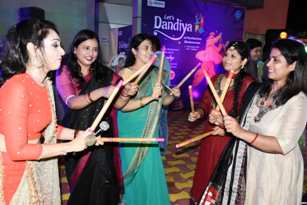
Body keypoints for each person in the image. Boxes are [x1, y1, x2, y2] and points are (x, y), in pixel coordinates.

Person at [0, 19, 91, 204]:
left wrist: (78, 134)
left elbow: (48, 128)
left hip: (35, 166)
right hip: (13, 174)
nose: (63, 52)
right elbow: (16, 151)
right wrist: (71, 146)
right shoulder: (17, 87)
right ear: (33, 49)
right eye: (55, 45)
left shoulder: (44, 85)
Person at [56, 29, 138, 205]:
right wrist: (101, 92)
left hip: (102, 133)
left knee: (104, 178)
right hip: (76, 133)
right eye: (86, 48)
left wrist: (126, 94)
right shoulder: (65, 71)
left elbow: (118, 105)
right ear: (75, 49)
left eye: (95, 49)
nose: (91, 53)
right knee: (81, 181)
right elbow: (72, 102)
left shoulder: (105, 74)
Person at [221, 39, 307, 204]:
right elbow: (247, 124)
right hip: (255, 163)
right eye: (269, 58)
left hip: (277, 169)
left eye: (276, 60)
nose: (268, 64)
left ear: (293, 65)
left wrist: (240, 132)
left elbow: (282, 145)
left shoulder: (298, 101)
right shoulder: (261, 91)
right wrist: (225, 124)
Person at [117, 33, 180, 205]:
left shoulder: (156, 73)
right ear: (134, 51)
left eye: (152, 49)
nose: (150, 52)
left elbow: (163, 102)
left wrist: (173, 95)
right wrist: (149, 98)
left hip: (150, 126)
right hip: (130, 126)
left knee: (150, 170)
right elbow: (120, 105)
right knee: (132, 169)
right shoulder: (125, 73)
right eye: (145, 48)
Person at [188, 41, 254, 203]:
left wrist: (224, 126)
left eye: (233, 56)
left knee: (223, 176)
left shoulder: (249, 84)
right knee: (206, 170)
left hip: (229, 139)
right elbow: (205, 104)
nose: (227, 59)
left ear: (244, 61)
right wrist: (199, 113)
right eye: (226, 55)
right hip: (210, 134)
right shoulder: (215, 78)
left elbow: (248, 118)